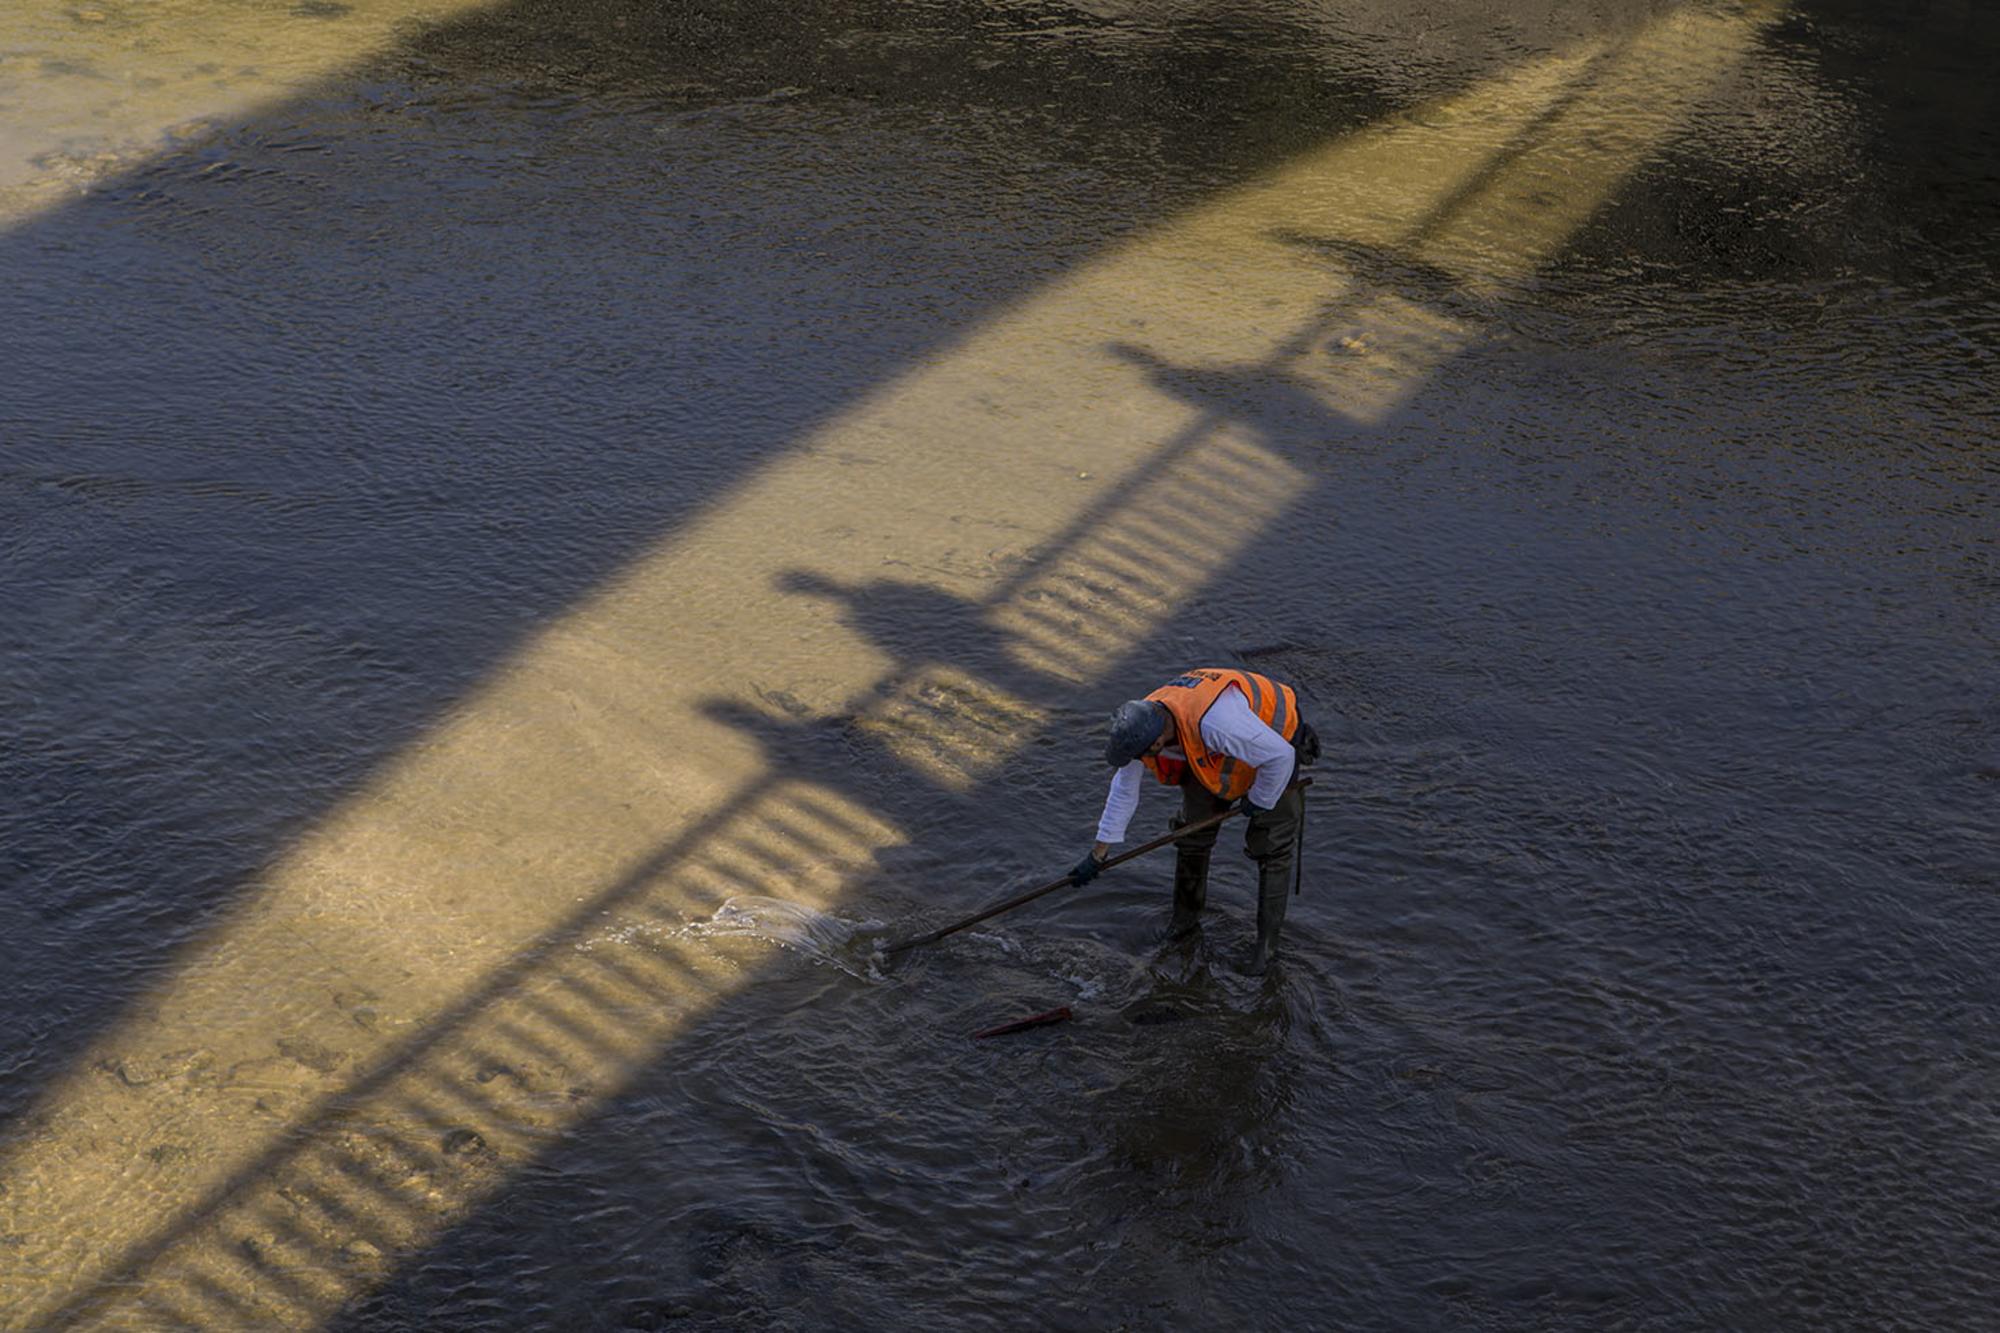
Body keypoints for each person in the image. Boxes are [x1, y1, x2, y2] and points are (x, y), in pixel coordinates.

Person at [1071, 668, 1320, 975]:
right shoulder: (1142, 721)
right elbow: (1124, 789)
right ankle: (1184, 924)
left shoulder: (1217, 724)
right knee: (1191, 834)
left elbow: (1279, 756)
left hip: (1275, 740)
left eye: (1143, 755)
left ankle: (1265, 951)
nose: (1141, 761)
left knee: (1271, 846)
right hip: (1213, 751)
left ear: (1158, 741)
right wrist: (1098, 853)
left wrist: (1260, 800)